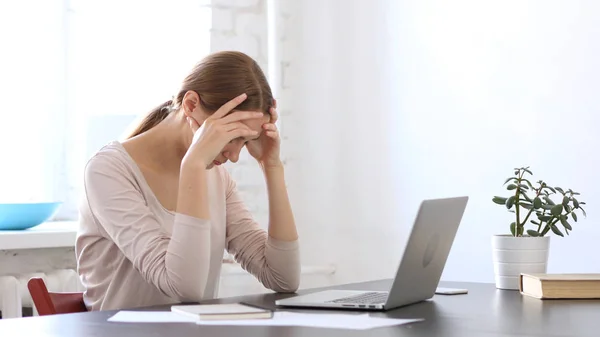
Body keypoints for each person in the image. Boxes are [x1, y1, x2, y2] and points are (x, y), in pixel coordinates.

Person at [75, 51, 301, 311]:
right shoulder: (108, 171)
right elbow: (184, 288)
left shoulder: (216, 177)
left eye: (246, 140)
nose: (236, 156)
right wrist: (193, 165)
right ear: (191, 104)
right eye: (231, 137)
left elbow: (283, 278)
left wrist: (271, 166)